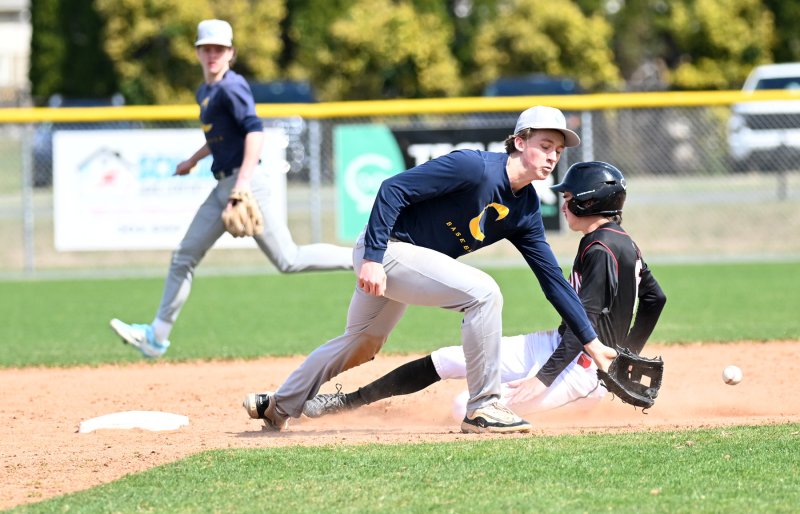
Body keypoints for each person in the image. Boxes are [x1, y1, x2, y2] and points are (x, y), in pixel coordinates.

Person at [243, 106, 619, 434]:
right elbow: (393, 189)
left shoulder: (526, 211)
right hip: (387, 248)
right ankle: (484, 406)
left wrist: (592, 343)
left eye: (558, 150)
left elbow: (553, 282)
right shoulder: (474, 168)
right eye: (545, 145)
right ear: (520, 141)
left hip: (406, 264)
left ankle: (279, 406)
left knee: (360, 344)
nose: (553, 156)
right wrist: (373, 257)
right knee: (484, 293)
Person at [299, 161, 667, 421]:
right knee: (446, 359)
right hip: (561, 349)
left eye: (569, 196)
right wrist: (626, 352)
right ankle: (347, 401)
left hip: (582, 371)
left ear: (589, 202)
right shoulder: (620, 242)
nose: (564, 202)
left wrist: (543, 381)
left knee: (465, 408)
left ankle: (577, 404)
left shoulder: (600, 249)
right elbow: (654, 298)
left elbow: (583, 322)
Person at [110, 19, 352, 358]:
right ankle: (156, 337)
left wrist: (241, 186)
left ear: (231, 53)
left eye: (219, 49)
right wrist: (193, 160)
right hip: (225, 183)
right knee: (184, 256)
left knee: (289, 259)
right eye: (206, 48)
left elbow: (254, 132)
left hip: (246, 182)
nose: (212, 54)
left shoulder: (231, 87)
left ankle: (361, 256)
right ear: (197, 52)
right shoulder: (206, 91)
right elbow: (220, 137)